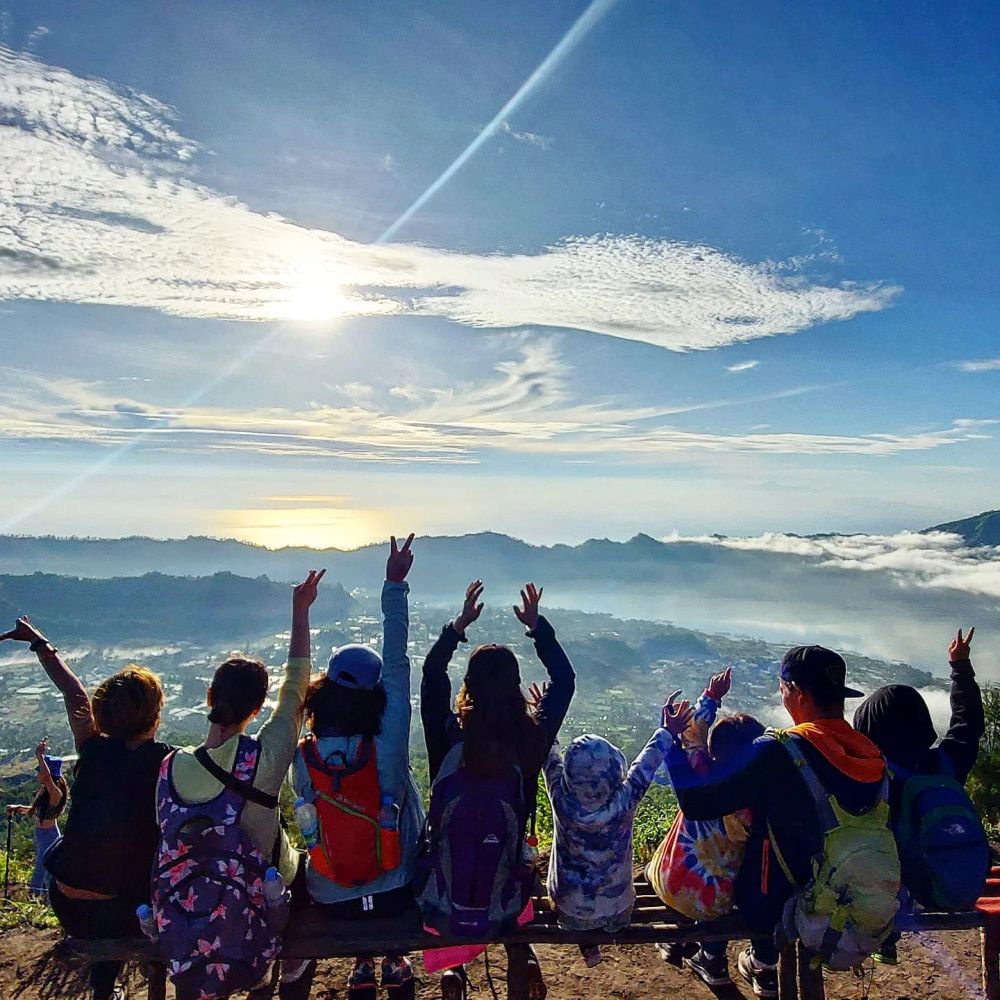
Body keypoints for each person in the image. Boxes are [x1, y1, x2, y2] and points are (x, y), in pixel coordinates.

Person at [661, 645, 885, 999]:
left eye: (783, 687)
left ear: (796, 692)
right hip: (850, 892)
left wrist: (672, 745)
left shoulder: (779, 753)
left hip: (782, 903)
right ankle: (759, 967)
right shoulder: (867, 753)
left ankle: (726, 956)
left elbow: (697, 803)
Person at [163, 568, 324, 1000]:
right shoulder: (263, 759)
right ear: (257, 710)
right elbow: (296, 687)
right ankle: (286, 978)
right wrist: (300, 612)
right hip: (258, 904)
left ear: (210, 697)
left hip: (189, 910)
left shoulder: (170, 768)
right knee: (303, 878)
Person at [0, 616, 172, 1000]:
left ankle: (104, 987)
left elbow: (73, 694)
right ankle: (119, 983)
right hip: (122, 904)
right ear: (154, 715)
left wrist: (40, 644)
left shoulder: (91, 748)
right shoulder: (168, 761)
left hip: (65, 897)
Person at [420, 581, 575, 1000]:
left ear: (467, 685)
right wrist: (537, 627)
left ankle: (454, 970)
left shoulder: (449, 739)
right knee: (518, 866)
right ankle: (520, 958)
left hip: (447, 891)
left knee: (453, 862)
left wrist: (457, 627)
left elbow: (432, 676)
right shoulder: (531, 738)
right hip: (509, 890)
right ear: (516, 687)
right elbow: (564, 680)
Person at [291, 535, 423, 1000]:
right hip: (397, 891)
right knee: (405, 797)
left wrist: (300, 613)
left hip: (332, 901)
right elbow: (398, 665)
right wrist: (394, 585)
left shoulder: (303, 754)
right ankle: (393, 959)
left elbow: (293, 685)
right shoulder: (385, 745)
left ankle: (365, 965)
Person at [854, 626, 986, 963]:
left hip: (913, 886)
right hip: (960, 876)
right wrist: (960, 667)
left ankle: (885, 936)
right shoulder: (948, 763)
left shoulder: (880, 777)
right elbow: (968, 724)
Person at [646, 668, 765, 989]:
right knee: (721, 889)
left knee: (687, 872)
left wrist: (710, 698)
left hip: (667, 878)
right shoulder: (755, 807)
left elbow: (691, 734)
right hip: (712, 902)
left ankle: (677, 939)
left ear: (715, 753)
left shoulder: (701, 770)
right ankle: (711, 959)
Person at [543, 696, 674, 968]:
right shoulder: (624, 801)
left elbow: (549, 758)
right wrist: (667, 730)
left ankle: (587, 944)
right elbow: (644, 765)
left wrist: (546, 715)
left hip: (569, 908)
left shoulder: (561, 798)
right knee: (609, 906)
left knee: (577, 905)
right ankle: (603, 933)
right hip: (617, 909)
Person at [5, 738, 69, 897]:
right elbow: (37, 811)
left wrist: (39, 756)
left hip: (49, 837)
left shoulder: (55, 794)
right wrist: (19, 808)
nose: (38, 774)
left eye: (40, 770)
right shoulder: (45, 793)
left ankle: (43, 902)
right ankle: (42, 901)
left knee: (43, 873)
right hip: (42, 836)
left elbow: (47, 778)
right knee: (41, 871)